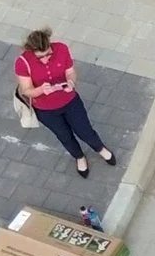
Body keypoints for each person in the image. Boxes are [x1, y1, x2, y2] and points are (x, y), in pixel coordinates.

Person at [13, 28, 116, 178]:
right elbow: (26, 90)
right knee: (64, 136)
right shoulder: (23, 63)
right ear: (31, 51)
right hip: (46, 110)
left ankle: (100, 148)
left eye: (48, 54)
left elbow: (70, 72)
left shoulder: (61, 49)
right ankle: (79, 157)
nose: (46, 59)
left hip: (69, 101)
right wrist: (41, 90)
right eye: (40, 57)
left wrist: (71, 82)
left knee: (85, 130)